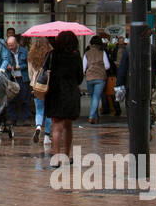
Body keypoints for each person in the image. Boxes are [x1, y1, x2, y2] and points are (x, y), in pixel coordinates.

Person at [42, 30, 84, 164]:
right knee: (68, 126)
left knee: (56, 126)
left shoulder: (52, 55)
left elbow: (44, 71)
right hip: (71, 93)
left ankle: (55, 158)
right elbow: (80, 77)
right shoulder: (76, 56)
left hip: (55, 93)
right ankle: (66, 155)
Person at [116, 34, 156, 129]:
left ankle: (133, 128)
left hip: (131, 85)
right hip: (147, 84)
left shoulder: (128, 48)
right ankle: (146, 128)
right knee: (145, 106)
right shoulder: (151, 48)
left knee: (131, 107)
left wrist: (119, 85)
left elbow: (122, 69)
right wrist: (151, 75)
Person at [26, 37, 53, 144]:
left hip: (37, 86)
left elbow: (30, 74)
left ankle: (38, 127)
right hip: (49, 85)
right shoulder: (51, 54)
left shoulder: (31, 56)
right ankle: (47, 136)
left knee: (39, 110)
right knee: (49, 112)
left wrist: (33, 83)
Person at [83, 36, 111, 124]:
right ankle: (92, 116)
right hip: (100, 77)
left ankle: (95, 117)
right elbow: (107, 66)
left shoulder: (87, 53)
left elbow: (84, 67)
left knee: (93, 97)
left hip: (90, 77)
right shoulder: (102, 52)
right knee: (96, 97)